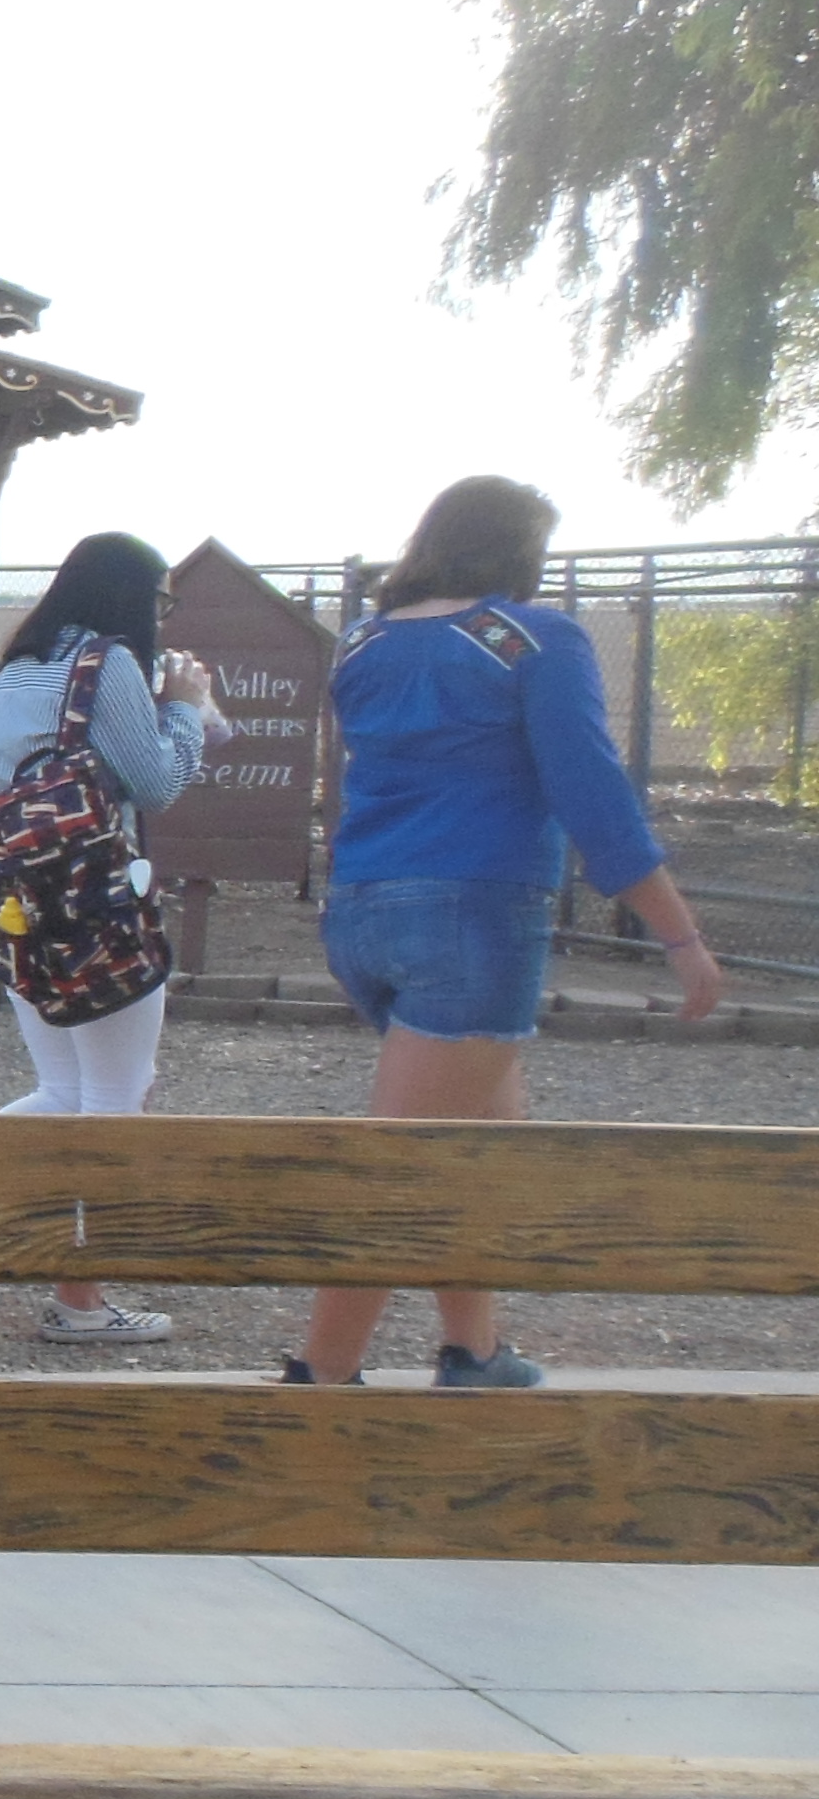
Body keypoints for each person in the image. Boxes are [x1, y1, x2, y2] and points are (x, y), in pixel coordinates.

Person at [291, 474, 723, 1389]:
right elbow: (593, 794)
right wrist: (680, 937)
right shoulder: (531, 639)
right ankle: (317, 1383)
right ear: (521, 553)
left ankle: (475, 1349)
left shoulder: (364, 642)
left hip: (362, 910)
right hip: (474, 917)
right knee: (401, 1169)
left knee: (483, 1140)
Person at [0, 531, 224, 1345]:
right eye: (161, 600)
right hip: (96, 908)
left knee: (64, 1092)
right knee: (116, 1098)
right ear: (130, 596)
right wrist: (184, 707)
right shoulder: (106, 664)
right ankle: (81, 1304)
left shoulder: (16, 669)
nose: (162, 616)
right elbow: (158, 782)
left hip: (14, 905)